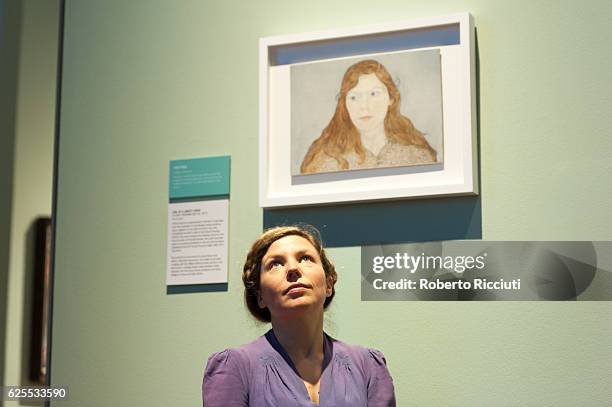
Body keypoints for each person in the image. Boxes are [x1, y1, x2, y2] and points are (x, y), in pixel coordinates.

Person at [202, 225, 396, 406]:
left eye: (305, 258)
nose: (293, 269)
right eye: (276, 264)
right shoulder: (235, 368)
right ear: (260, 296)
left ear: (328, 284)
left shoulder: (368, 366)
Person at [300, 59, 437, 174]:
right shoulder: (326, 161)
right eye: (354, 97)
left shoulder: (417, 155)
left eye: (374, 94)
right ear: (345, 105)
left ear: (391, 99)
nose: (364, 106)